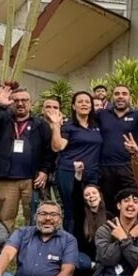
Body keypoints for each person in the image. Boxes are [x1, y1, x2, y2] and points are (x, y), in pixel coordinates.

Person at [0, 86, 54, 231]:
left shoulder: (41, 125)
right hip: (6, 178)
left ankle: (32, 244)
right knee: (5, 220)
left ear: (31, 103)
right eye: (16, 100)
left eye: (24, 100)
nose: (20, 103)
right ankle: (6, 244)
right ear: (11, 102)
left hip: (32, 180)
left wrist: (44, 170)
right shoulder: (2, 119)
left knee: (34, 218)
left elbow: (49, 151)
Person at [96, 85, 138, 215]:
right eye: (117, 93)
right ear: (112, 97)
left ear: (130, 97)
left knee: (131, 203)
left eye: (124, 94)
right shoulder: (102, 114)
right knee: (109, 207)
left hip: (130, 167)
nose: (120, 96)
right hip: (106, 168)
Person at [46, 91, 102, 233]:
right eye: (80, 101)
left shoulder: (96, 125)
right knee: (71, 210)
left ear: (91, 106)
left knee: (92, 208)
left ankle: (90, 240)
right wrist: (56, 126)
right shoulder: (68, 126)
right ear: (73, 106)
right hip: (69, 173)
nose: (84, 104)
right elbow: (58, 147)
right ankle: (70, 240)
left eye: (87, 102)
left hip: (91, 173)